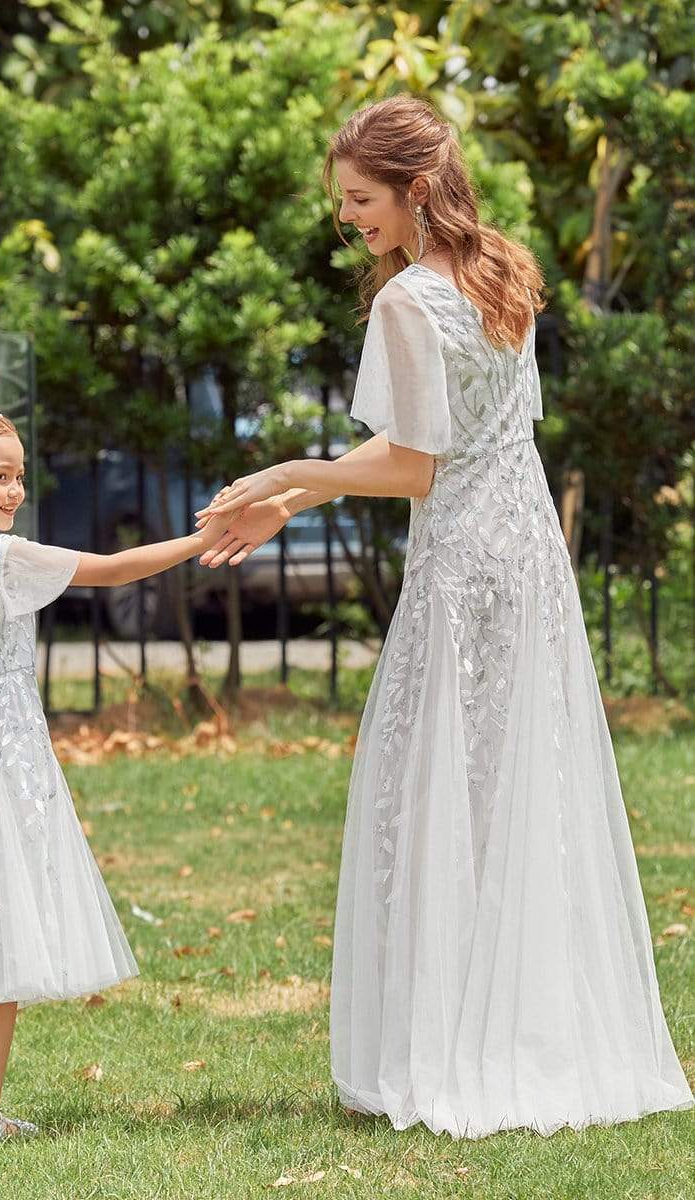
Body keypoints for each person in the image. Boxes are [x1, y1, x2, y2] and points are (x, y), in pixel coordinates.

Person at [196, 95, 694, 1137]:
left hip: (467, 566)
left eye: (363, 200)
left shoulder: (411, 302)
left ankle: (457, 1041)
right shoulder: (501, 270)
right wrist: (296, 497)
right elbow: (463, 445)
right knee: (514, 787)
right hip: (524, 558)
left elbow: (417, 461)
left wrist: (291, 471)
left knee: (430, 792)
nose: (351, 222)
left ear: (417, 189)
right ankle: (524, 1028)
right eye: (344, 204)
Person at [0, 405, 232, 1139]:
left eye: (20, 477)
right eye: (0, 476)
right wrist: (202, 539)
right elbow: (115, 570)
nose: (16, 491)